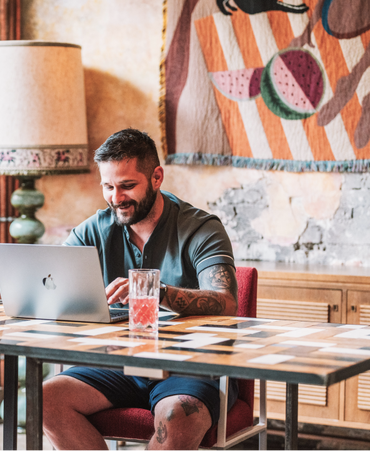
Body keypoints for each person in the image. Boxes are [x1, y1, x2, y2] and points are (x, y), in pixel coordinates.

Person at [42, 128, 238, 451]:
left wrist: (156, 293)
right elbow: (54, 281)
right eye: (108, 186)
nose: (116, 198)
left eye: (127, 186)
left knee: (178, 416)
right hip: (116, 363)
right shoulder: (94, 229)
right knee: (44, 399)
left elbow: (227, 302)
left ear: (157, 177)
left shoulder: (201, 229)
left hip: (189, 365)